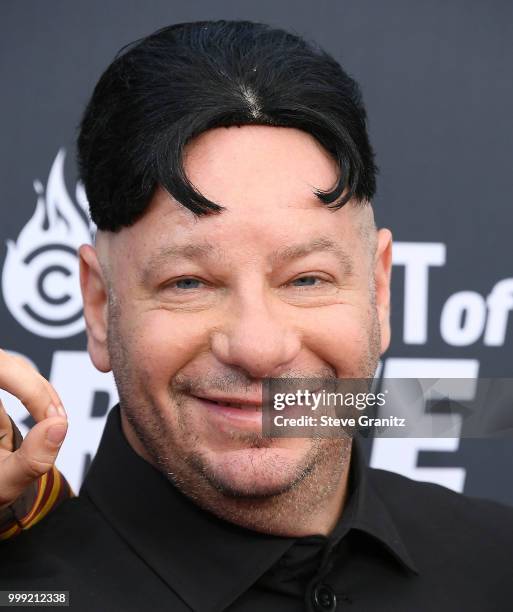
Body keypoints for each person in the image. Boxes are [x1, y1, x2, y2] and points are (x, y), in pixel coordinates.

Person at [1, 19, 512, 612]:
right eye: (188, 282)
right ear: (99, 306)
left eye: (306, 279)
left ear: (378, 289)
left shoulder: (496, 565)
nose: (258, 346)